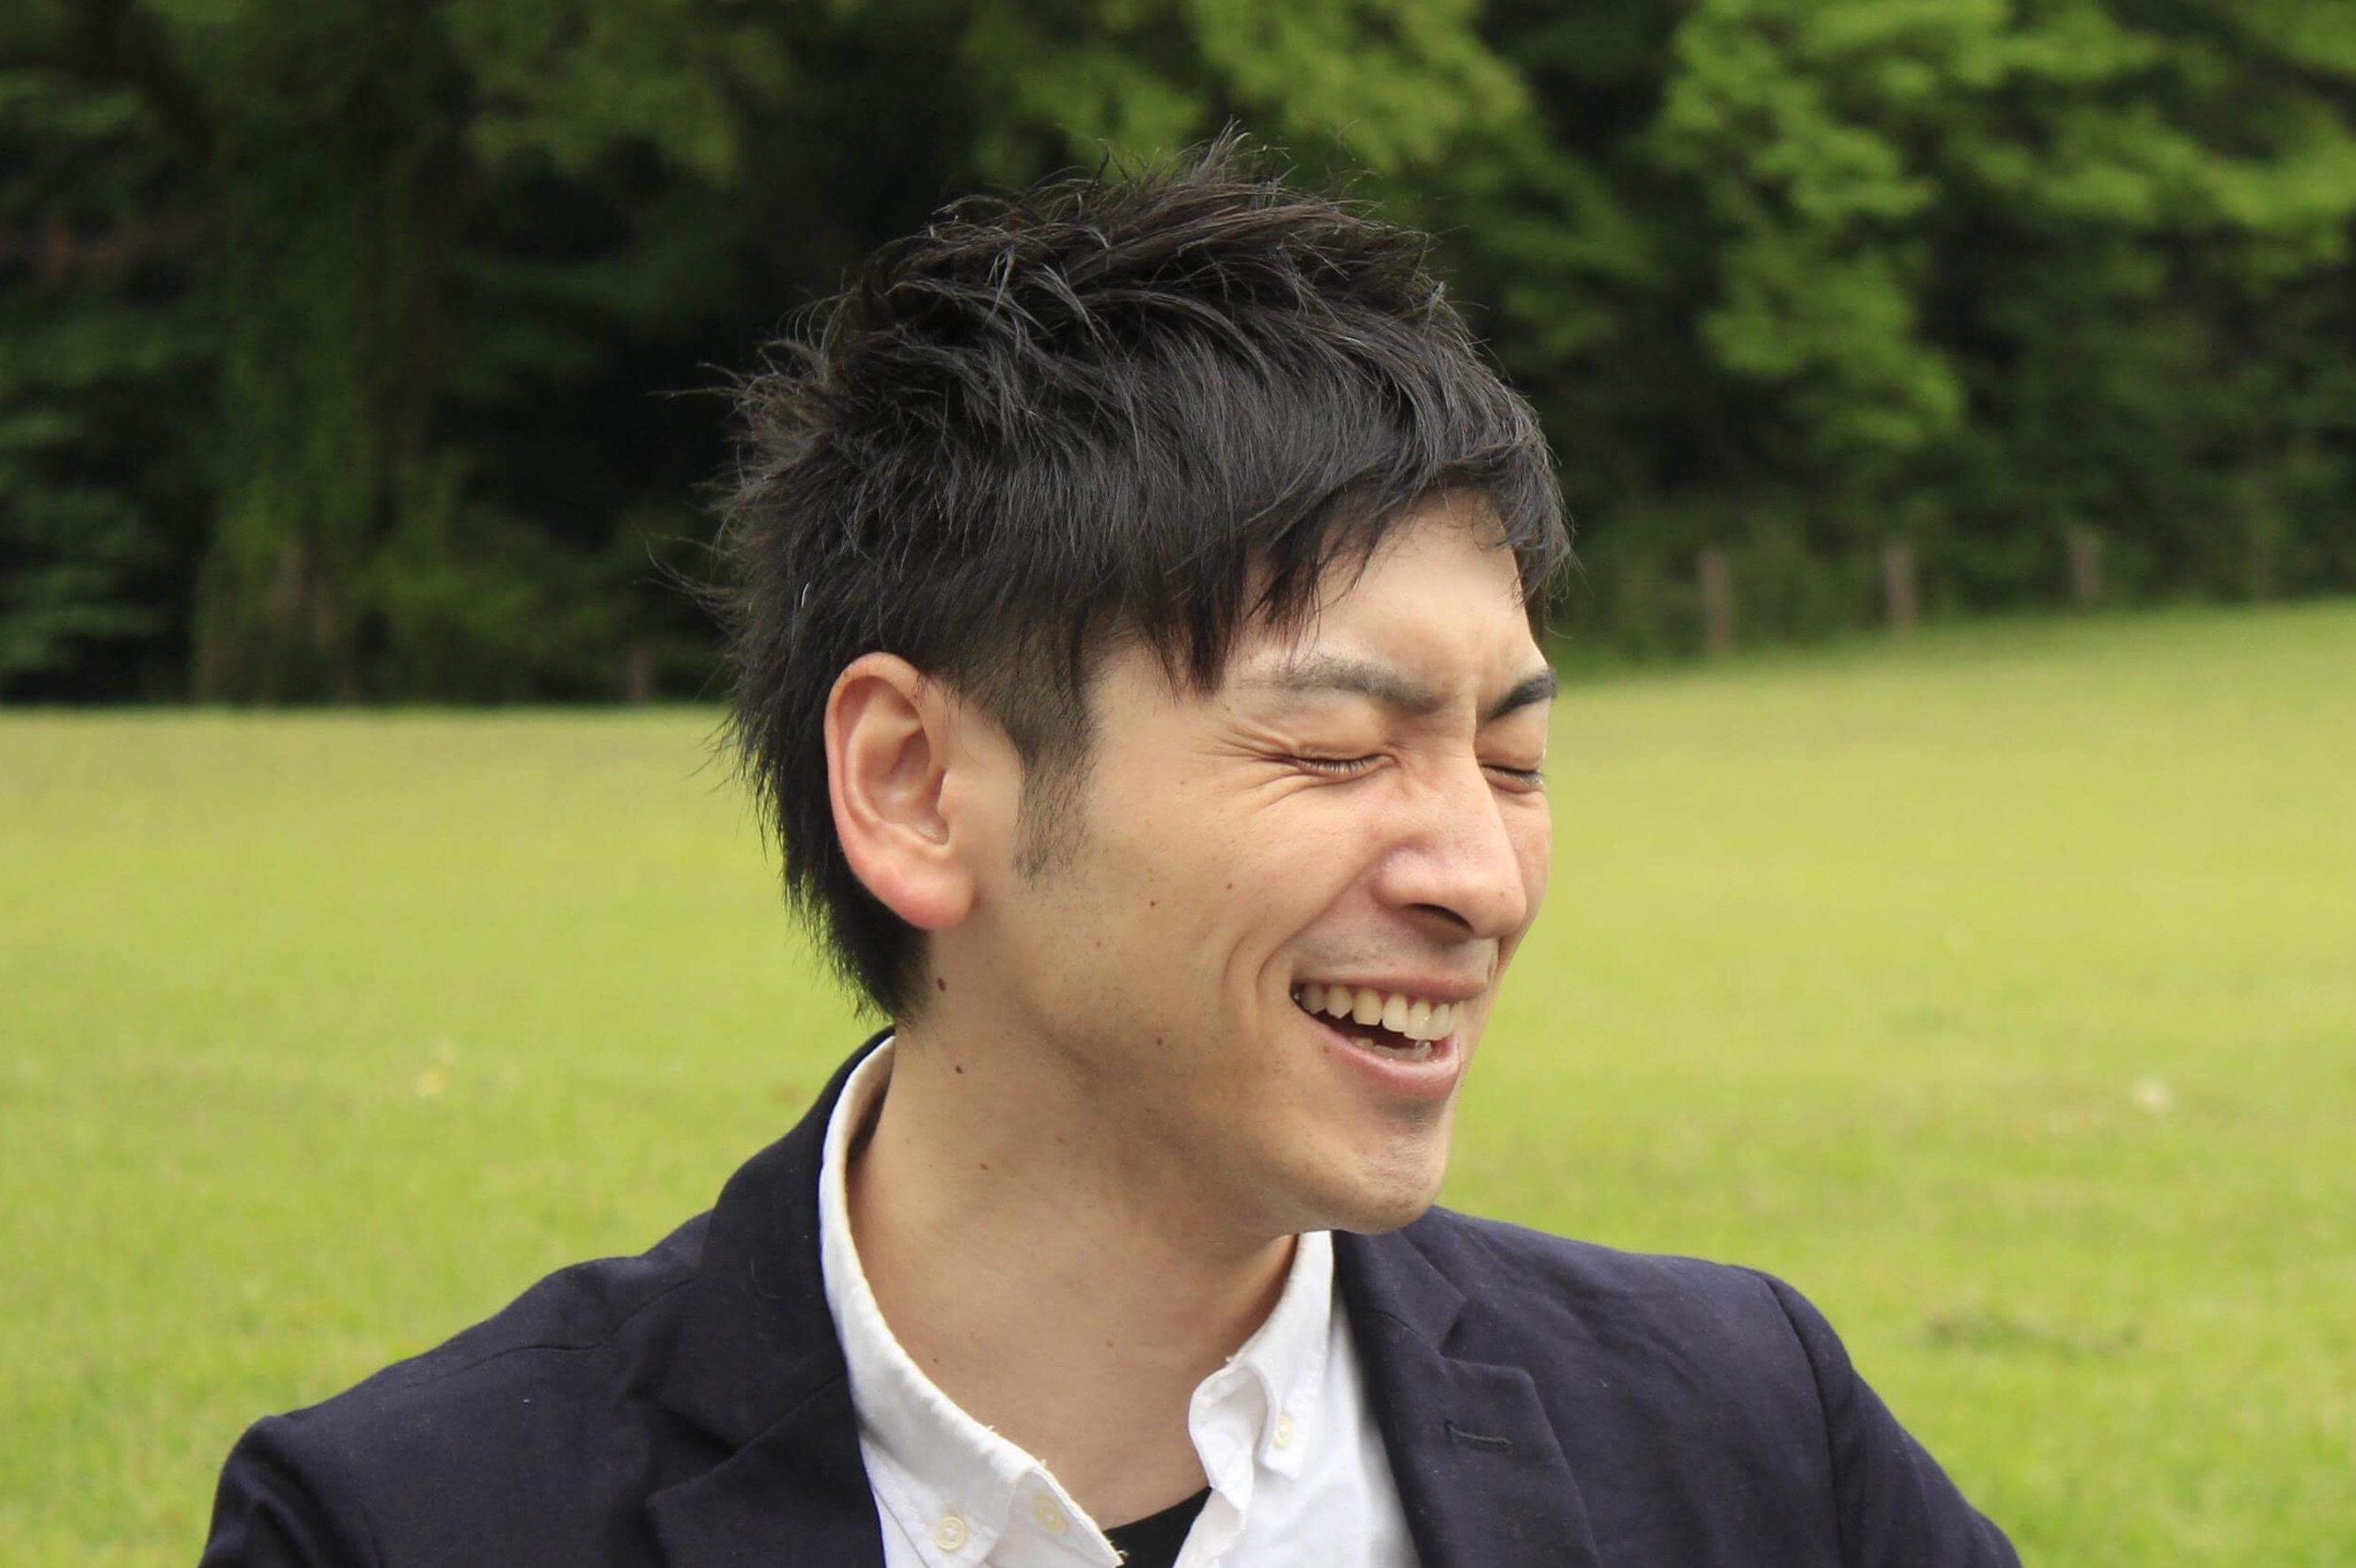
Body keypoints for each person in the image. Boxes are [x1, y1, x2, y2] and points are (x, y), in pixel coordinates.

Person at [199, 142, 2020, 1568]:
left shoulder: (1740, 1444)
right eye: (1333, 747)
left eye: (1511, 758)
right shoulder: (415, 1526)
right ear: (915, 787)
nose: (1480, 878)